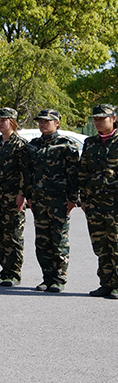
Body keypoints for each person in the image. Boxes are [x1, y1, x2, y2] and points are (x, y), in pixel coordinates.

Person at [24, 109, 80, 293]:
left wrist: (73, 198)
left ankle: (59, 278)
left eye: (47, 121)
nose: (43, 124)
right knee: (42, 241)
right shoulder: (33, 146)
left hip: (59, 201)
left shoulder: (66, 145)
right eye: (40, 121)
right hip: (39, 201)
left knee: (59, 239)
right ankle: (47, 277)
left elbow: (74, 174)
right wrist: (28, 196)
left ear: (57, 123)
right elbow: (27, 173)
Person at [78, 104, 118, 299]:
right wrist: (83, 199)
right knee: (100, 245)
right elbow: (83, 171)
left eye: (102, 118)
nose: (98, 122)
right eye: (95, 118)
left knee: (116, 244)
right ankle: (106, 282)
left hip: (115, 202)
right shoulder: (90, 143)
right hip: (95, 203)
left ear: (114, 118)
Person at [0, 107, 27, 287]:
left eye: (3, 120)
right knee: (0, 235)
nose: (0, 123)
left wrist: (21, 194)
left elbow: (25, 173)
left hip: (13, 197)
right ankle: (4, 270)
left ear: (12, 121)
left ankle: (14, 272)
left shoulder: (21, 145)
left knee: (13, 235)